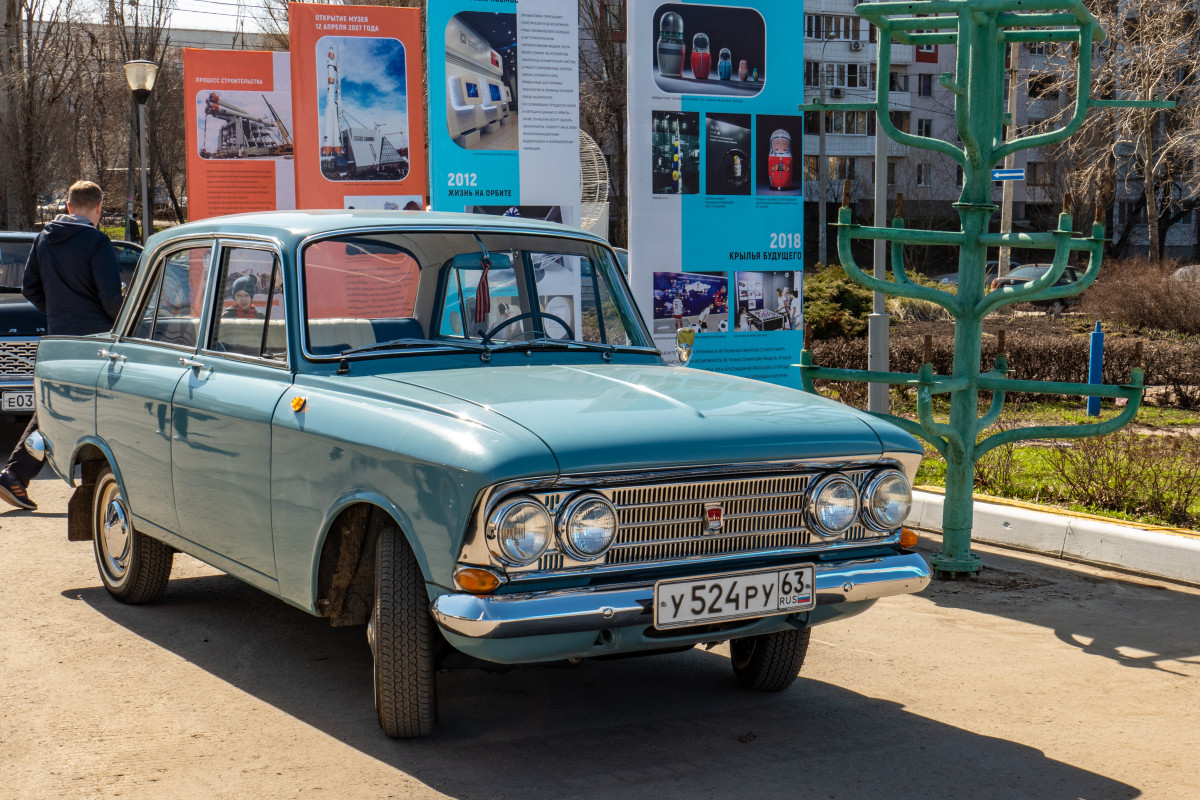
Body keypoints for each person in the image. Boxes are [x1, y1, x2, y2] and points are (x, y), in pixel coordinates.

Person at [0, 181, 123, 511]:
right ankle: (18, 475)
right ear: (98, 209)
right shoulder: (97, 242)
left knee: (55, 407)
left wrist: (58, 314)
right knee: (91, 406)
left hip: (59, 336)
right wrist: (123, 323)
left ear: (68, 206)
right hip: (96, 339)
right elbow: (111, 296)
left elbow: (29, 287)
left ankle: (15, 475)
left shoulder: (44, 239)